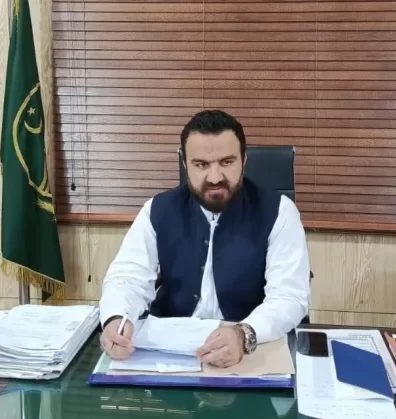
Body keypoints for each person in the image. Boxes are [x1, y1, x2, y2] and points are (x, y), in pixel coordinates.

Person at [99, 110, 310, 368]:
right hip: (169, 356)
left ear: (244, 161)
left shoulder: (279, 212)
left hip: (252, 350)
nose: (215, 177)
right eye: (201, 164)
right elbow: (127, 278)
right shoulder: (157, 210)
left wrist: (244, 334)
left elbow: (289, 297)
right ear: (185, 164)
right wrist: (116, 320)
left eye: (227, 162)